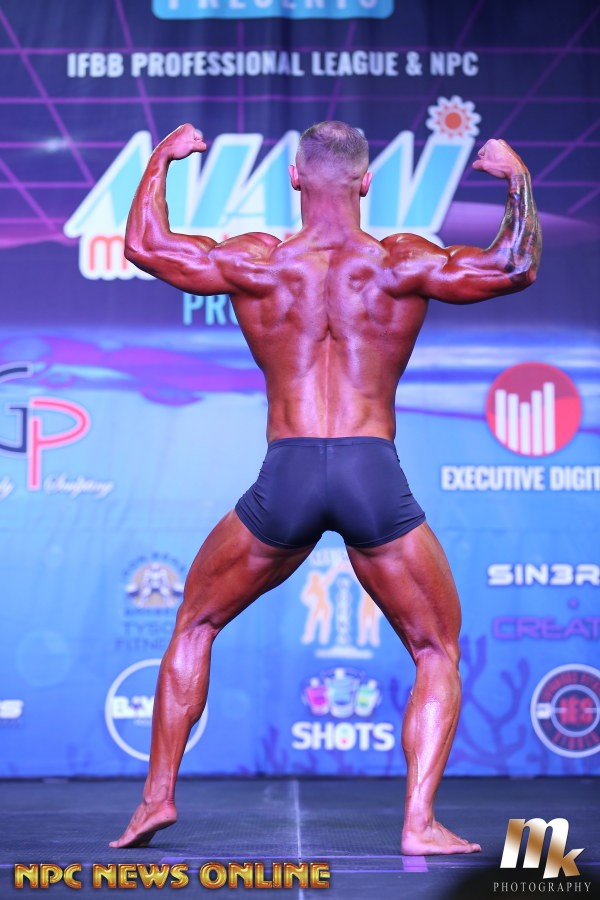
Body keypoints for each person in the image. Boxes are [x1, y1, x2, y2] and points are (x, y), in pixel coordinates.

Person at [110, 121, 541, 854]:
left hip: (289, 473)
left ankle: (155, 798)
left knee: (196, 624)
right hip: (373, 473)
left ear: (294, 178)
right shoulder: (401, 260)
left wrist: (162, 160)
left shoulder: (259, 260)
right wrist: (517, 174)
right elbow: (513, 267)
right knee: (435, 649)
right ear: (367, 182)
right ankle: (418, 822)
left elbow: (147, 247)